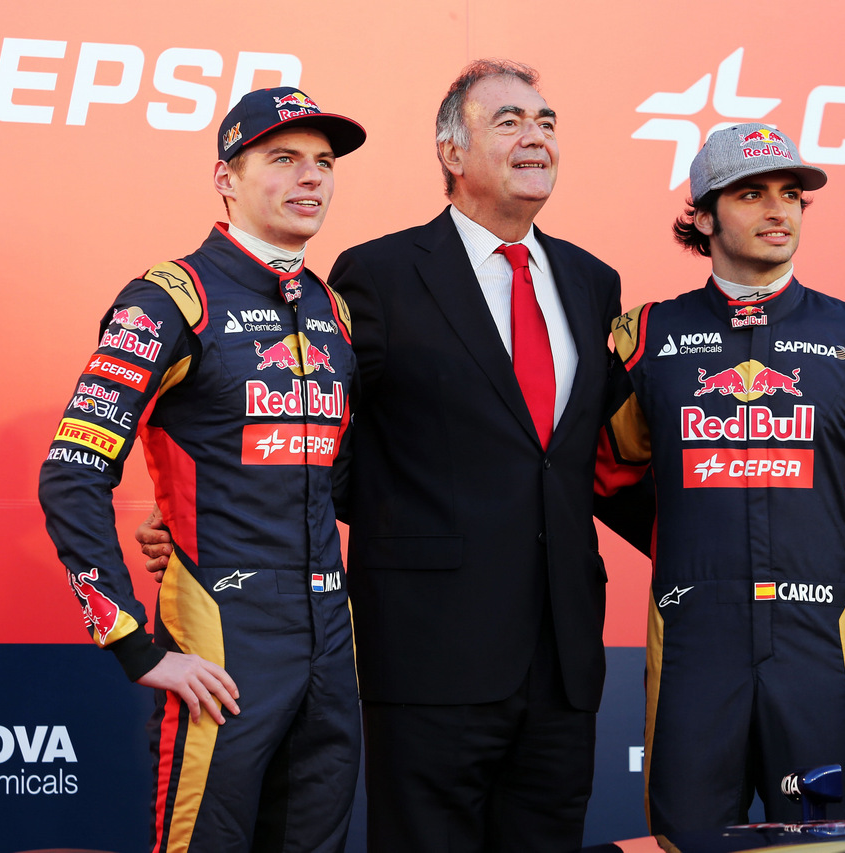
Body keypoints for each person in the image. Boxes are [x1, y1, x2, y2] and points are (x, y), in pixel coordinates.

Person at [596, 123, 845, 834]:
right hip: (695, 646)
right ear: (700, 214)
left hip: (815, 646)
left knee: (824, 847)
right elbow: (605, 475)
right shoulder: (644, 341)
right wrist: (693, 554)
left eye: (791, 194)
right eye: (751, 193)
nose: (778, 210)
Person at [39, 87, 366, 852]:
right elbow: (72, 469)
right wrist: (132, 642)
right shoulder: (167, 298)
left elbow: (331, 478)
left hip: (329, 640)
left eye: (322, 163)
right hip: (222, 640)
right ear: (226, 176)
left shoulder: (332, 310)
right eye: (283, 159)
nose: (310, 178)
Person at [326, 59, 625, 853]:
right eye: (510, 121)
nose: (537, 136)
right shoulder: (379, 274)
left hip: (562, 664)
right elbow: (329, 446)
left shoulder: (594, 283)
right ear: (451, 153)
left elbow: (588, 459)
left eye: (547, 122)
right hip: (429, 652)